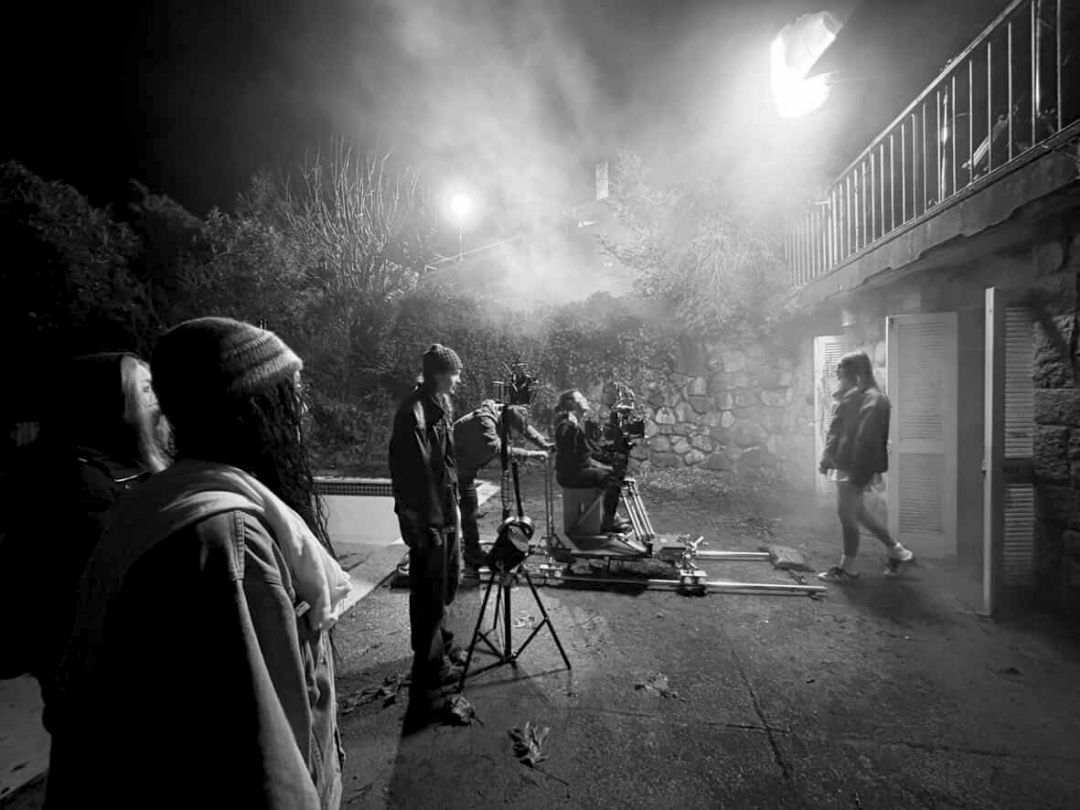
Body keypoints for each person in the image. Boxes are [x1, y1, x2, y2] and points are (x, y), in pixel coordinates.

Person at [46, 318, 350, 809]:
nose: (303, 413)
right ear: (254, 410)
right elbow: (264, 765)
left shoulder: (166, 502)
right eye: (290, 397)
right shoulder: (226, 539)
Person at [0, 352, 170, 691]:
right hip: (101, 682)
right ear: (110, 404)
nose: (160, 400)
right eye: (147, 389)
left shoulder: (123, 466)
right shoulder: (74, 483)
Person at [389, 343, 467, 711]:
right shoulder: (414, 413)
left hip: (445, 512)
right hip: (429, 518)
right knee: (430, 589)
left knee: (448, 580)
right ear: (438, 373)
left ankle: (445, 647)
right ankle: (431, 666)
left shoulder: (440, 407)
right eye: (454, 372)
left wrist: (456, 515)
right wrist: (429, 525)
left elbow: (446, 466)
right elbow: (413, 477)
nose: (458, 378)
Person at [817, 350, 913, 583]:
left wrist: (858, 476)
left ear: (857, 376)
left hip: (855, 467)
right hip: (848, 465)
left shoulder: (874, 400)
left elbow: (866, 441)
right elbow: (839, 431)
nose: (840, 381)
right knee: (857, 512)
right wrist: (828, 460)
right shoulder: (856, 396)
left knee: (846, 515)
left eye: (843, 376)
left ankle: (847, 570)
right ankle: (899, 552)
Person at [454, 400, 553, 570]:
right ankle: (458, 555)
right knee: (462, 511)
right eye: (515, 433)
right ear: (506, 424)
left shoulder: (506, 414)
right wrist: (531, 454)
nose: (518, 437)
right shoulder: (486, 423)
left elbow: (524, 427)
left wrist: (543, 443)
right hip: (450, 467)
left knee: (469, 508)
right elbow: (498, 450)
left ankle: (472, 553)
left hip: (466, 468)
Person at [553, 389, 631, 534]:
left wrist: (608, 457)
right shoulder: (566, 424)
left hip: (574, 471)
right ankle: (609, 522)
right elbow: (572, 451)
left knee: (611, 474)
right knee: (612, 480)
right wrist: (603, 462)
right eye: (581, 398)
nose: (585, 400)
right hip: (571, 475)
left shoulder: (574, 423)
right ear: (572, 404)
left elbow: (587, 450)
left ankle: (613, 517)